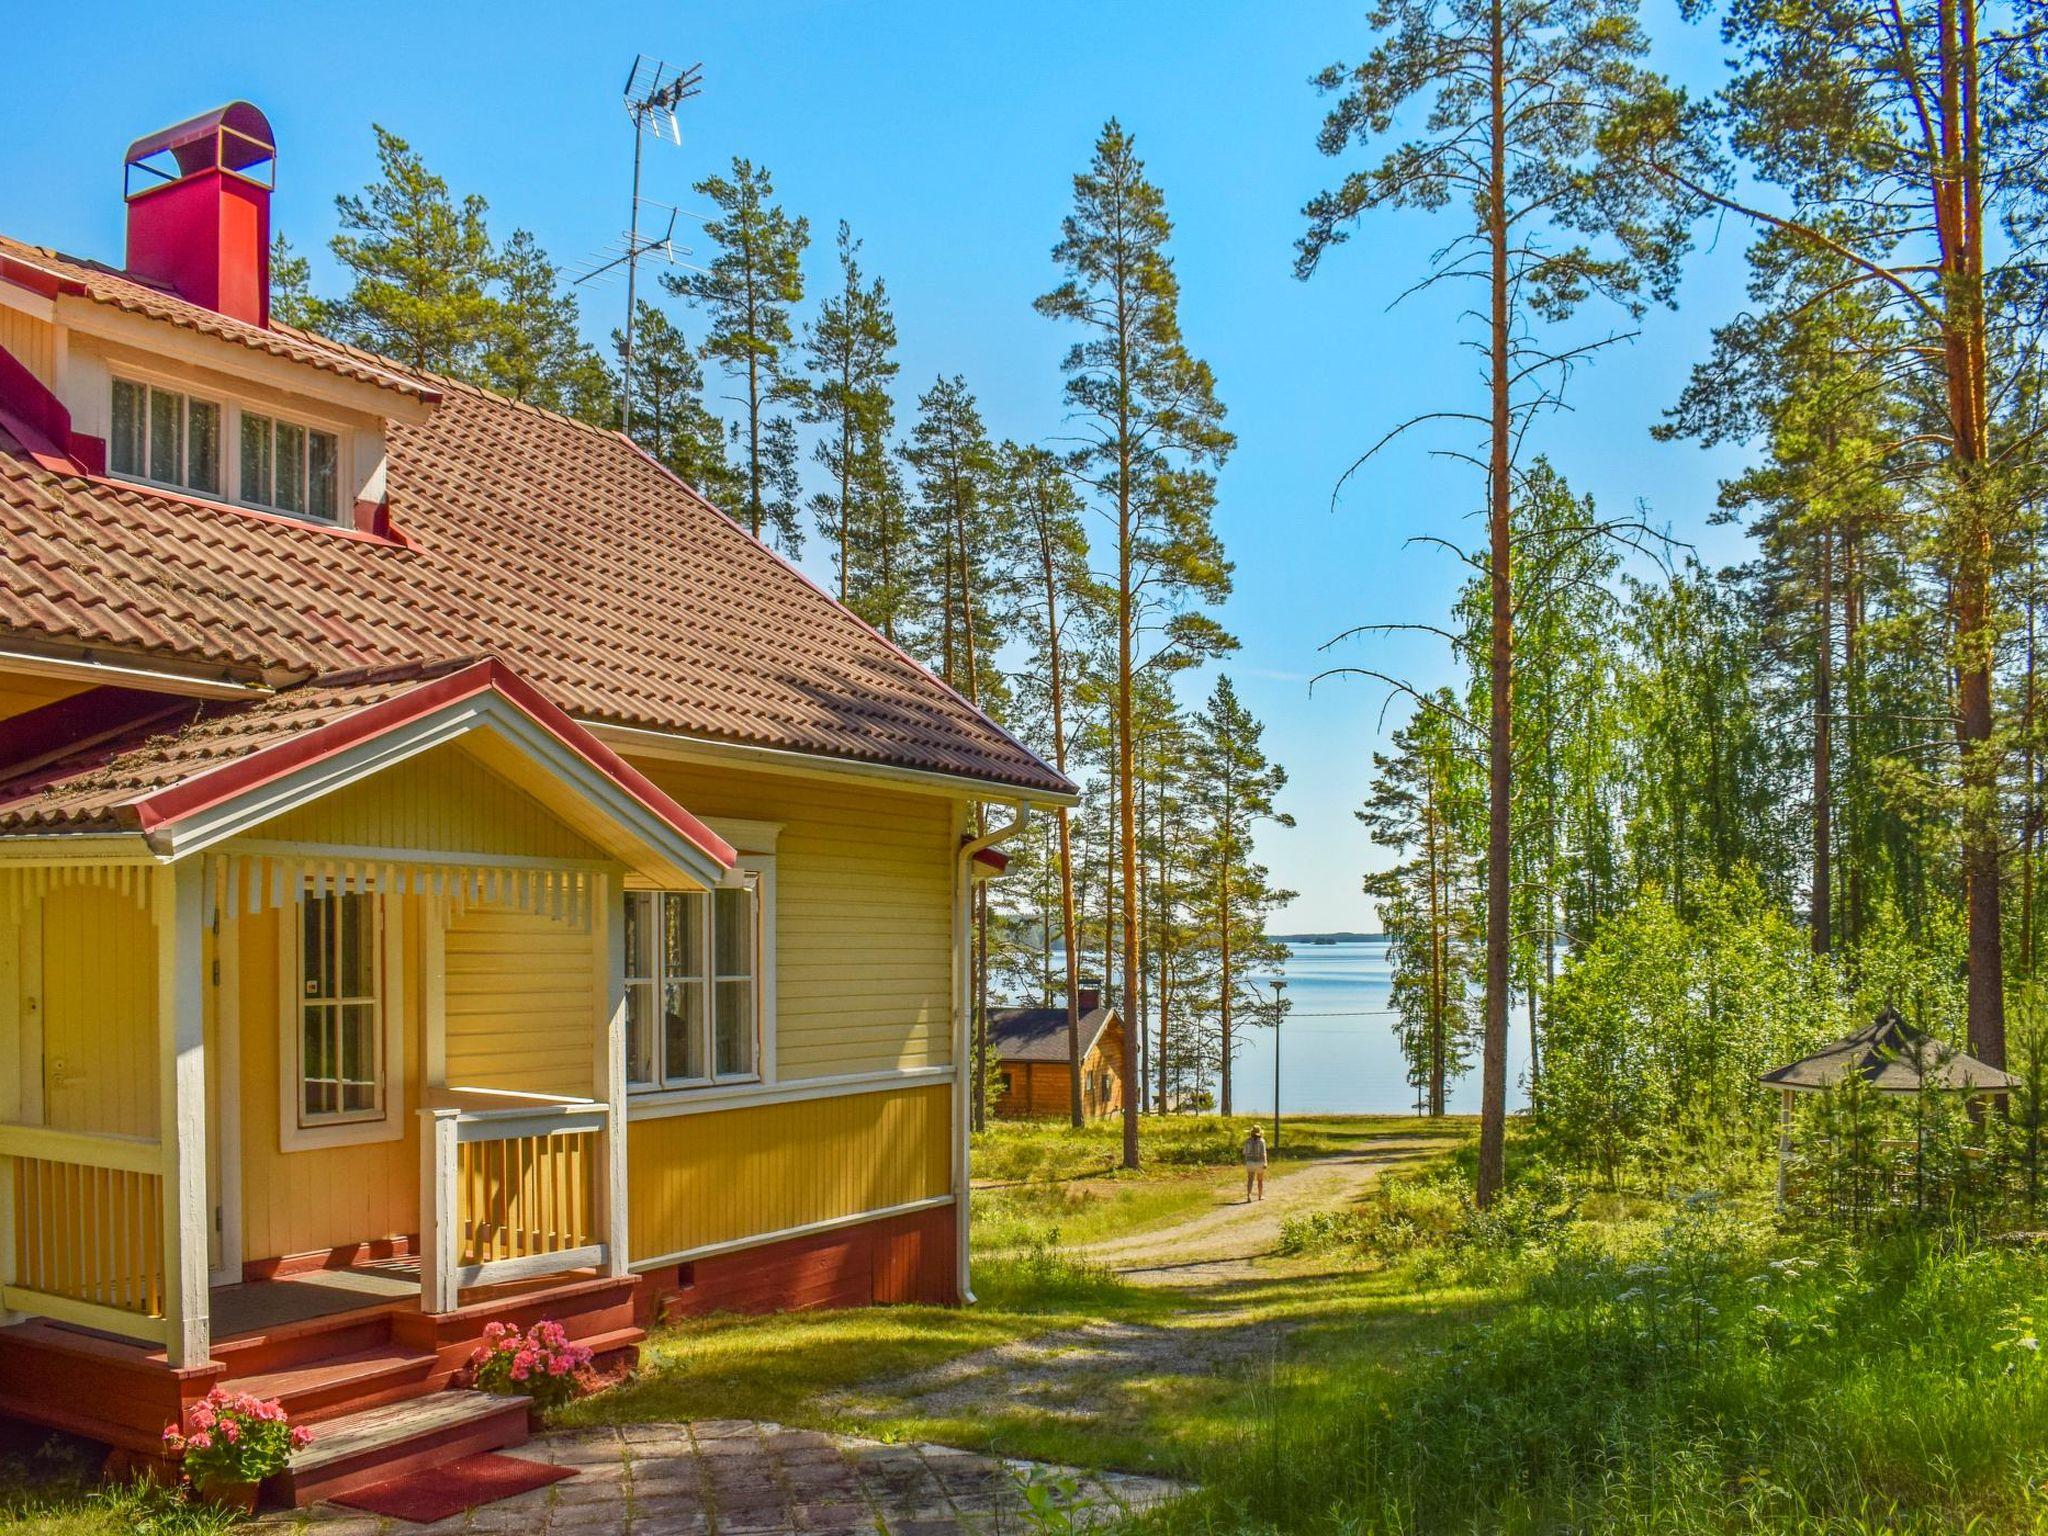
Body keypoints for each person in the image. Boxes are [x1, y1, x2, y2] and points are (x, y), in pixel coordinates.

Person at [1243, 1124, 1268, 1202]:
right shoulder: (1262, 1141)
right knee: (1260, 1180)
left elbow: (1244, 1152)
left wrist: (1247, 1160)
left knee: (1250, 1179)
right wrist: (1265, 1162)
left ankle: (1249, 1196)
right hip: (1259, 1162)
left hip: (1250, 1162)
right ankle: (1260, 1196)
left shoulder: (1247, 1141)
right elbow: (1264, 1153)